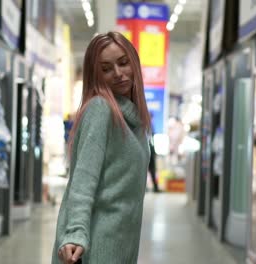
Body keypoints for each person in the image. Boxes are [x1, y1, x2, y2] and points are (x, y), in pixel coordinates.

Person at [52, 32, 151, 264]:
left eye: (123, 63)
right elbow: (82, 182)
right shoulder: (101, 109)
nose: (118, 73)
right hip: (96, 246)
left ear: (134, 63)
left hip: (121, 243)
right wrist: (75, 232)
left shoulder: (135, 119)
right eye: (106, 68)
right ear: (96, 75)